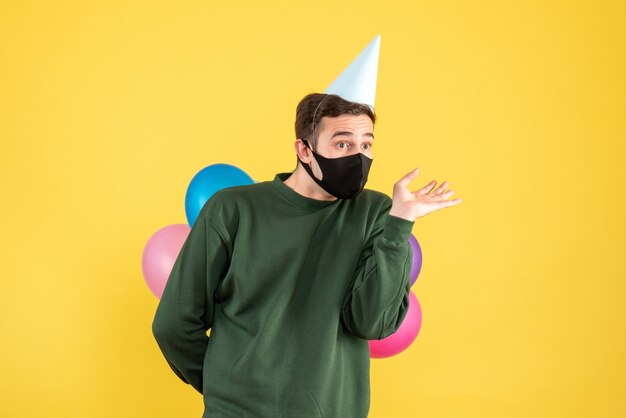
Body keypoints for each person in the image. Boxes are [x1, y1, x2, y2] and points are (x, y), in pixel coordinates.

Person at [152, 93, 462, 417]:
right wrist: (226, 387)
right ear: (304, 150)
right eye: (343, 144)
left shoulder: (377, 213)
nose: (358, 157)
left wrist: (400, 224)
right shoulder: (233, 209)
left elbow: (371, 321)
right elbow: (174, 323)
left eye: (366, 145)